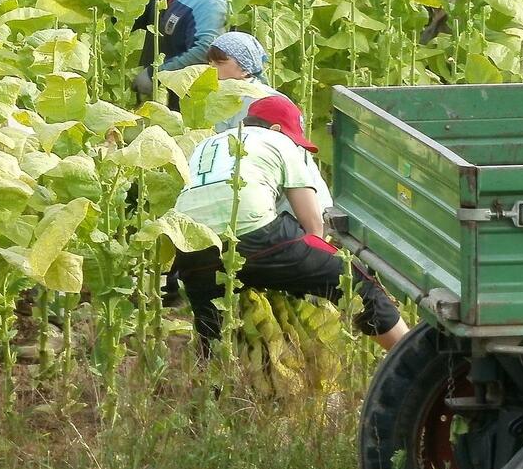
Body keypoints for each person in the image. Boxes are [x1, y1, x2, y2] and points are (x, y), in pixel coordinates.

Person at [173, 95, 409, 353]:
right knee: (357, 286)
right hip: (257, 235)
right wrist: (302, 278)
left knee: (214, 334)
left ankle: (215, 385)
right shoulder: (278, 140)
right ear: (276, 128)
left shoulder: (206, 144)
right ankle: (412, 360)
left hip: (191, 244)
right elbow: (313, 226)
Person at [205, 31, 284, 132]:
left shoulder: (267, 100)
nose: (211, 68)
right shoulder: (211, 94)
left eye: (219, 63)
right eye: (210, 62)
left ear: (244, 68)